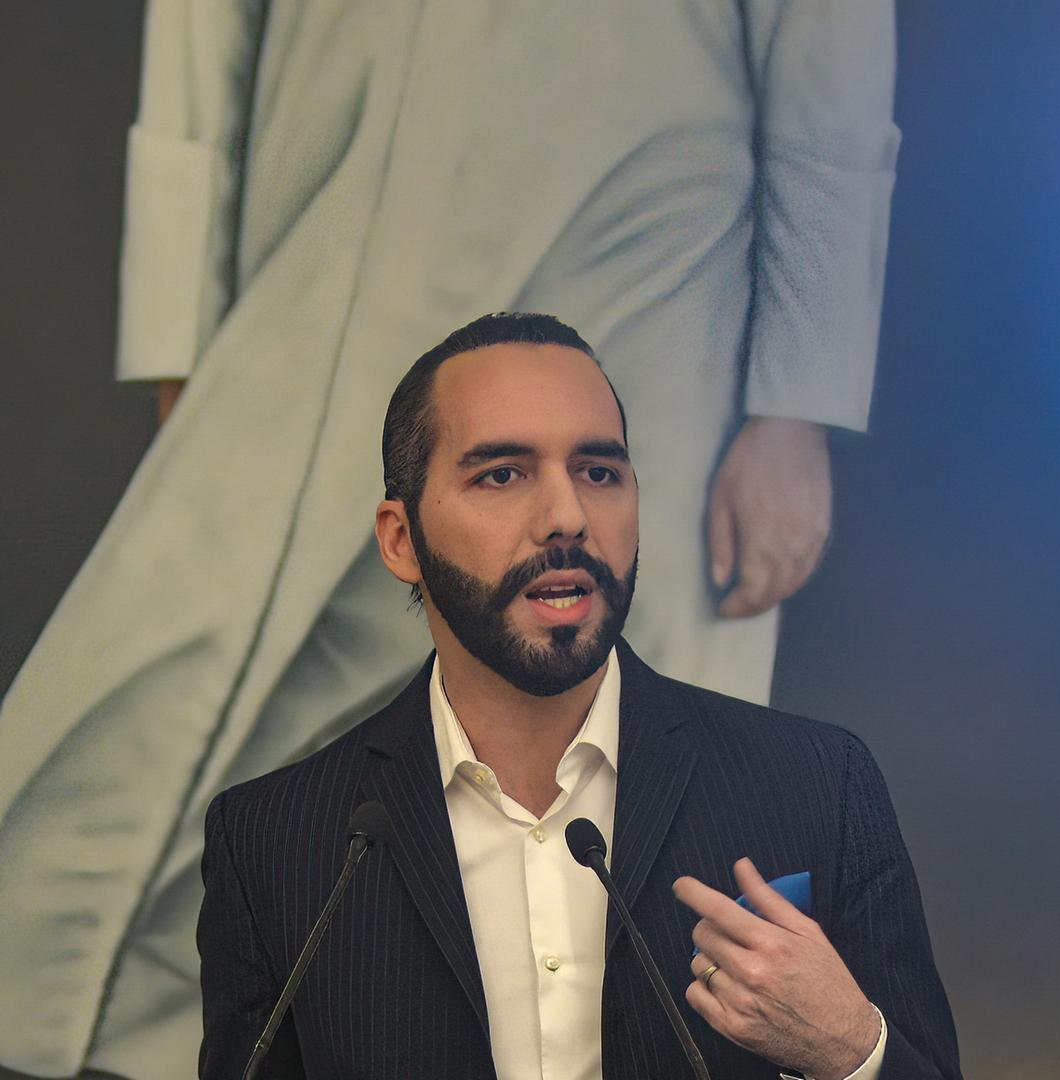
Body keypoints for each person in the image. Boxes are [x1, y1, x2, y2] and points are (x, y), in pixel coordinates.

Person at [0, 4, 899, 1075]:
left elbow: (826, 56)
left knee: (639, 771)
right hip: (330, 208)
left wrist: (794, 406)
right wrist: (179, 330)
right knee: (225, 747)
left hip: (650, 238)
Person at [198, 314, 959, 1079]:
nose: (566, 517)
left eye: (599, 472)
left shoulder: (815, 786)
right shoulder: (277, 842)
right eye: (502, 474)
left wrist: (849, 1052)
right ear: (401, 540)